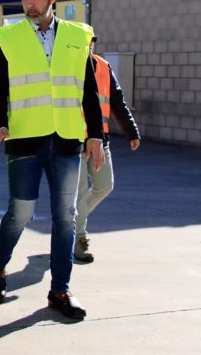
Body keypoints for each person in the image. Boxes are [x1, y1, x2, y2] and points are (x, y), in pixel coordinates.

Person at [0, 0, 104, 320]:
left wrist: (96, 135)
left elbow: (88, 91)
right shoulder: (8, 38)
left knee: (66, 217)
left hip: (66, 140)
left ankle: (60, 290)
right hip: (25, 139)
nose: (30, 4)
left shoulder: (78, 36)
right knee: (21, 213)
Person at [74, 36, 141, 263]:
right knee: (80, 192)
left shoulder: (103, 67)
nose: (88, 45)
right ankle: (79, 238)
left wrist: (131, 131)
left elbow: (117, 102)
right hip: (75, 140)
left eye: (91, 41)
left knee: (104, 186)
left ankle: (70, 223)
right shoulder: (67, 67)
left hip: (100, 140)